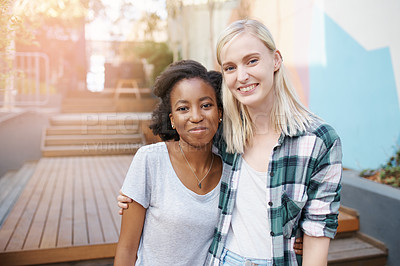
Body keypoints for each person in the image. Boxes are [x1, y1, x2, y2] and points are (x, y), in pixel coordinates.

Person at [120, 19, 341, 265]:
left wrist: (299, 234)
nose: (242, 76)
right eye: (230, 67)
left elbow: (318, 233)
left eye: (252, 61)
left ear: (276, 60)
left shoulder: (318, 141)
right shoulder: (223, 132)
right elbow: (183, 146)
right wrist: (140, 186)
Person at [114, 60, 224, 266]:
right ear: (172, 119)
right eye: (183, 108)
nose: (196, 116)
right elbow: (127, 248)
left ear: (220, 112)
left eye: (206, 105)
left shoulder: (232, 168)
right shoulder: (150, 160)